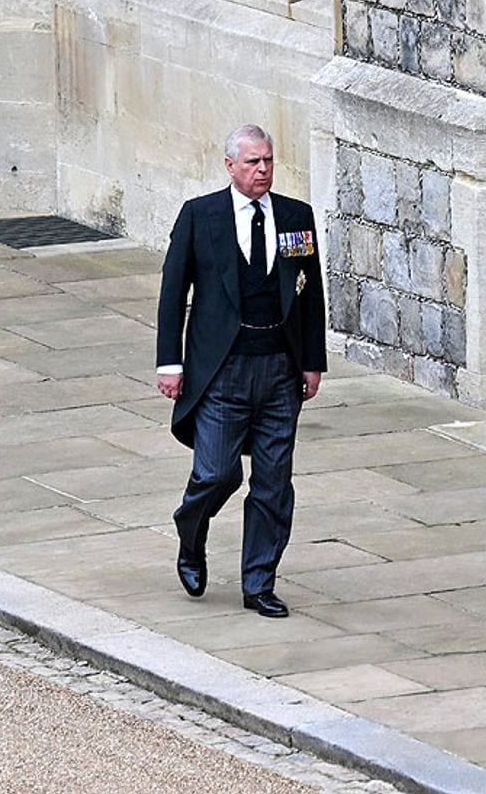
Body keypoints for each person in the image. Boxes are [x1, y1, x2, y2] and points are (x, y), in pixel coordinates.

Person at [155, 124, 326, 618]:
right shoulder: (200, 216)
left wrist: (312, 362)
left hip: (278, 369)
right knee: (215, 472)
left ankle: (259, 583)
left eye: (268, 161)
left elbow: (310, 293)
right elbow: (173, 295)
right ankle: (192, 533)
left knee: (274, 481)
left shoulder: (295, 217)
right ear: (230, 166)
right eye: (252, 162)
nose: (263, 170)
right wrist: (171, 362)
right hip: (222, 370)